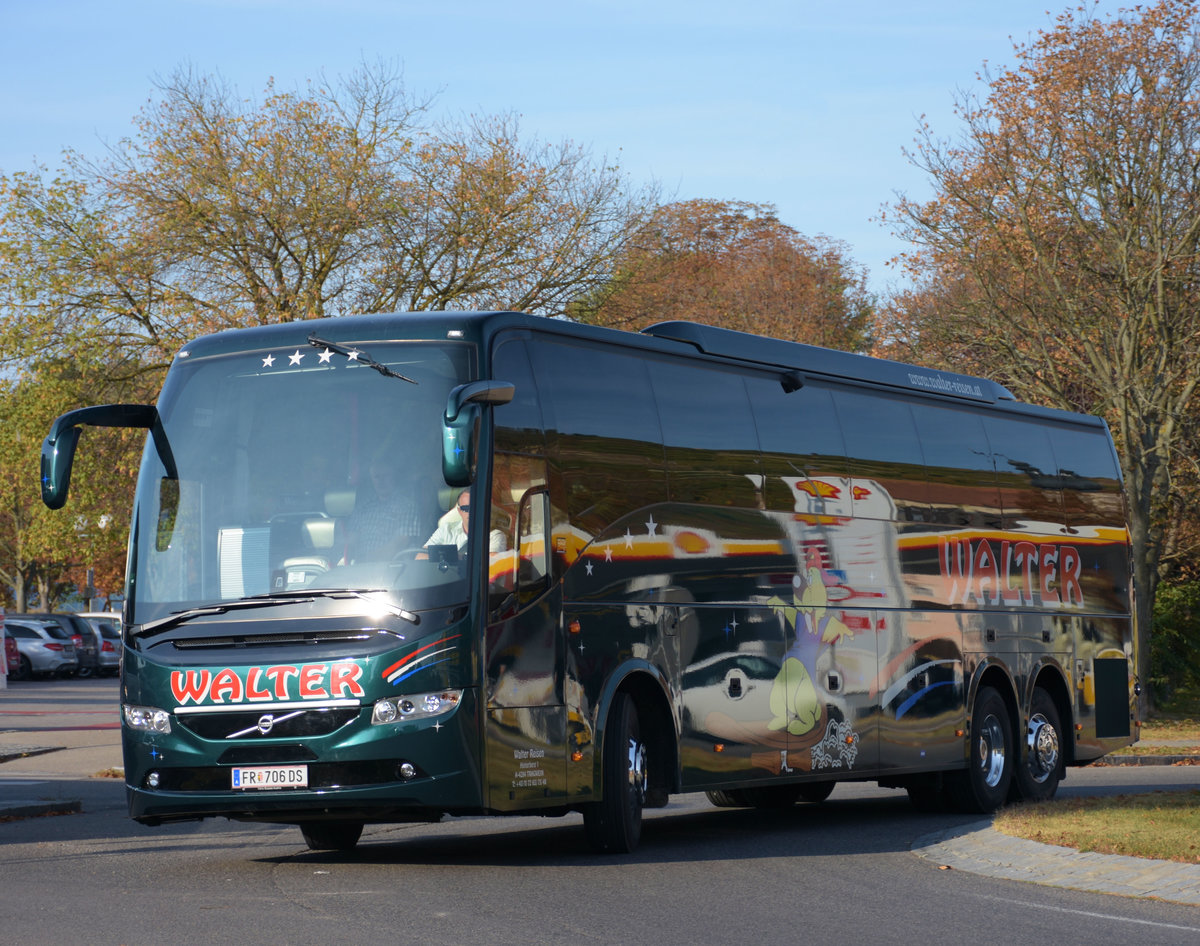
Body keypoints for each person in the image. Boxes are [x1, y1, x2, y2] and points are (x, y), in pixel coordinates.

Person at [346, 452, 421, 562]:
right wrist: (346, 559)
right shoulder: (363, 507)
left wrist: (367, 559)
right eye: (377, 477)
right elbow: (351, 541)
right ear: (371, 479)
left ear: (394, 477)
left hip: (392, 569)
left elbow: (399, 544)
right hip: (359, 569)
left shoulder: (407, 507)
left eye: (386, 476)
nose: (381, 481)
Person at [423, 489, 506, 554]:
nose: (471, 512)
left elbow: (491, 562)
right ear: (459, 511)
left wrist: (447, 557)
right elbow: (420, 555)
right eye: (466, 509)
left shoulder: (495, 535)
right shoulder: (446, 529)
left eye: (475, 507)